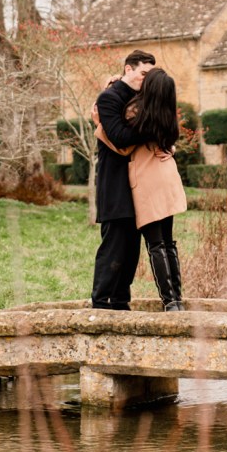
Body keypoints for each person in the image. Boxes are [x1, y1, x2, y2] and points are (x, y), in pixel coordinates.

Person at [97, 67, 187, 311]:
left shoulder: (137, 112)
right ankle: (177, 299)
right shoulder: (166, 113)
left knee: (156, 244)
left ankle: (170, 302)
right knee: (168, 242)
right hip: (167, 176)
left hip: (148, 181)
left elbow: (122, 145)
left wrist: (99, 127)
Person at [91, 49, 157, 310]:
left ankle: (120, 302)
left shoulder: (142, 98)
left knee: (131, 248)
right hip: (115, 183)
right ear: (128, 69)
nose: (146, 79)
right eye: (143, 73)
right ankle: (101, 302)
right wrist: (151, 129)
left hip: (138, 182)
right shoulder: (109, 98)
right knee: (114, 245)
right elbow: (119, 136)